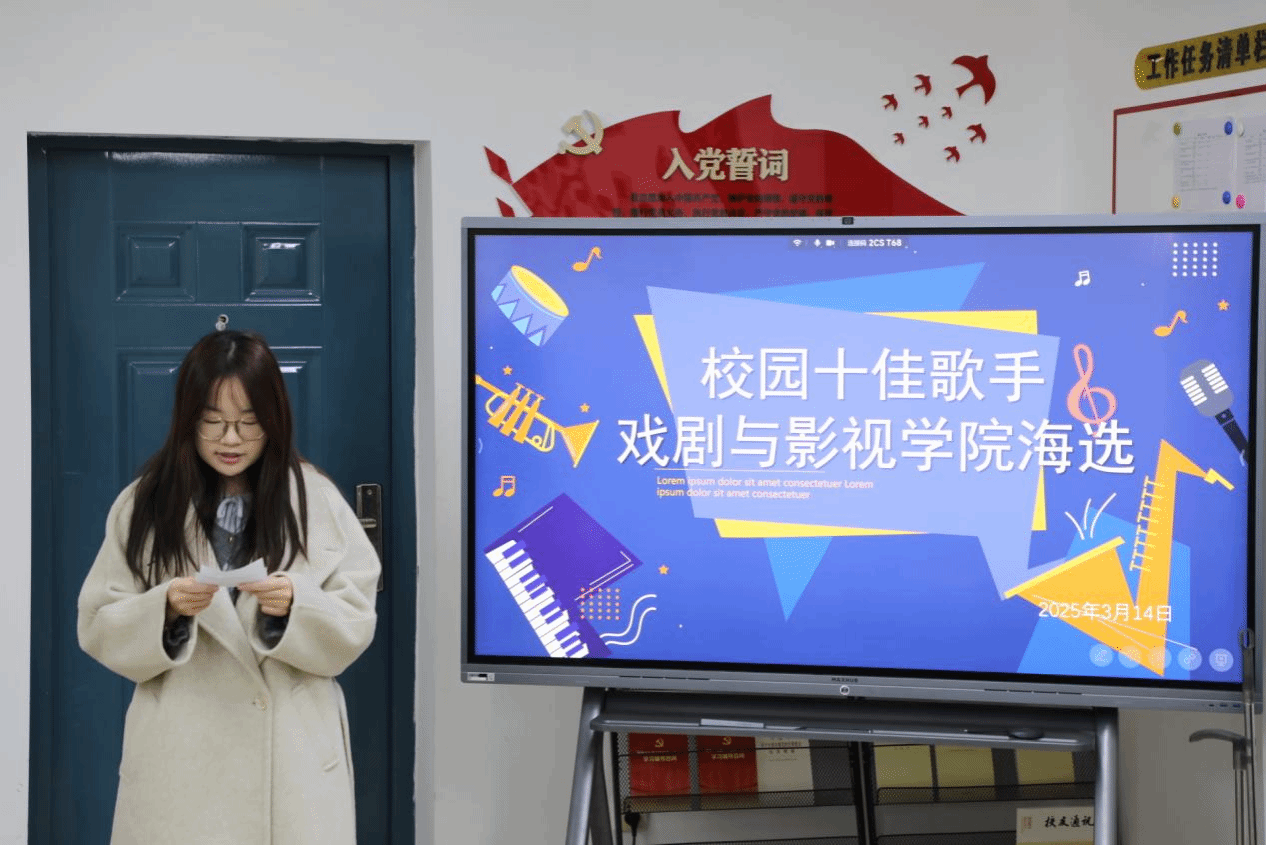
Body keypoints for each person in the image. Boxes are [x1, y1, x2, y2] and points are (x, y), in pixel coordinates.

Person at [77, 329, 381, 845]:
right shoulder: (145, 504)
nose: (231, 440)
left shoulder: (317, 500)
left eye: (248, 422)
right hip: (183, 760)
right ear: (187, 419)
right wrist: (166, 610)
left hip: (290, 762)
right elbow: (98, 623)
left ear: (274, 419)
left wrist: (295, 607)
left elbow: (356, 620)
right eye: (212, 421)